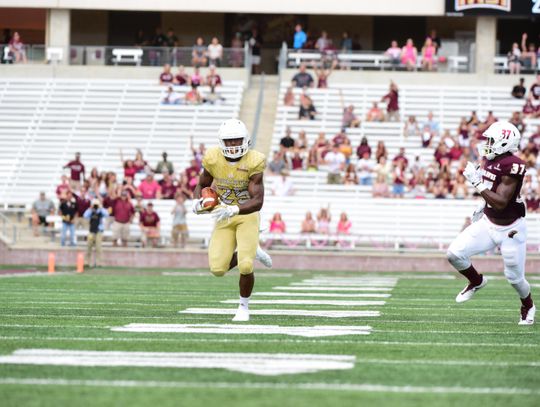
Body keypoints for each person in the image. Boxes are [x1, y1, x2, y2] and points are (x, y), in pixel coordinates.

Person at [447, 121, 535, 325]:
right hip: (488, 222)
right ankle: (476, 281)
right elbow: (492, 190)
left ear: (504, 143)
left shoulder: (513, 165)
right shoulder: (490, 160)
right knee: (454, 254)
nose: (487, 143)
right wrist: (482, 204)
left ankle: (528, 305)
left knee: (514, 278)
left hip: (511, 229)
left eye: (491, 140)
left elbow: (502, 202)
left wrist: (475, 183)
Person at [191, 119, 273, 322]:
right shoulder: (212, 158)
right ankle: (252, 248)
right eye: (229, 141)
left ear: (246, 140)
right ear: (221, 142)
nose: (234, 145)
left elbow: (258, 201)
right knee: (218, 269)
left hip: (246, 215)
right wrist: (198, 202)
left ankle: (243, 307)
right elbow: (202, 184)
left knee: (245, 265)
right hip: (222, 214)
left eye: (237, 140)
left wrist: (234, 209)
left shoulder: (254, 161)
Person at [83, 199, 108, 268]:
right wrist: (90, 208)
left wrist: (100, 207)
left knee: (98, 248)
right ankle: (87, 262)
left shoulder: (101, 211)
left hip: (99, 231)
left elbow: (107, 214)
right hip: (91, 231)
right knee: (88, 247)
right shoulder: (91, 211)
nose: (95, 206)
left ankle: (99, 263)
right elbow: (85, 215)